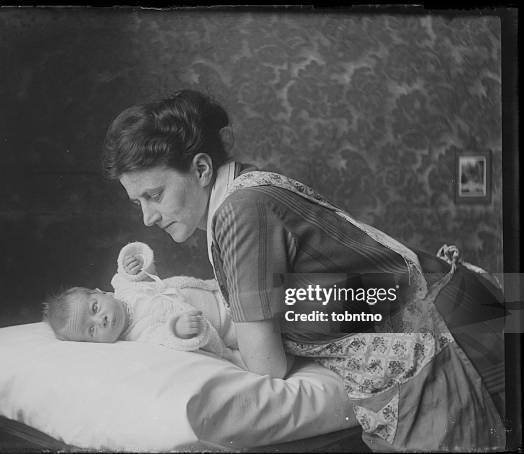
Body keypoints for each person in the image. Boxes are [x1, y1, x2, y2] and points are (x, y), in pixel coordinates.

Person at [101, 89, 505, 451]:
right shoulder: (244, 192)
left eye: (154, 195)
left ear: (202, 169)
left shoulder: (240, 211)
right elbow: (315, 305)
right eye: (139, 203)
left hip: (453, 341)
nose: (148, 218)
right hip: (451, 320)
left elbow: (267, 365)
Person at [42, 242, 240, 365]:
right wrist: (178, 330)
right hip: (228, 325)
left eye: (94, 308)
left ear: (100, 292)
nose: (100, 320)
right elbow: (164, 338)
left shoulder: (124, 288)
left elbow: (138, 274)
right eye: (91, 330)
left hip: (218, 291)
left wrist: (133, 265)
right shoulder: (138, 335)